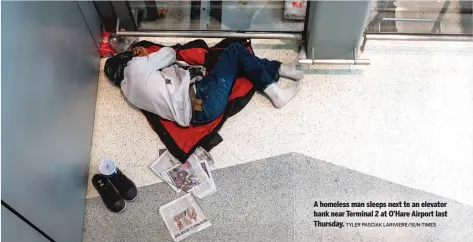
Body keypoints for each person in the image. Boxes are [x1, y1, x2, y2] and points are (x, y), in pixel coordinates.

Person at [121, 43, 304, 127]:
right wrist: (146, 55)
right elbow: (169, 54)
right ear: (129, 59)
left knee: (237, 63)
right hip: (203, 96)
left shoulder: (127, 92)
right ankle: (276, 93)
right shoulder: (135, 66)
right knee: (235, 50)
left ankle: (283, 69)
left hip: (198, 114)